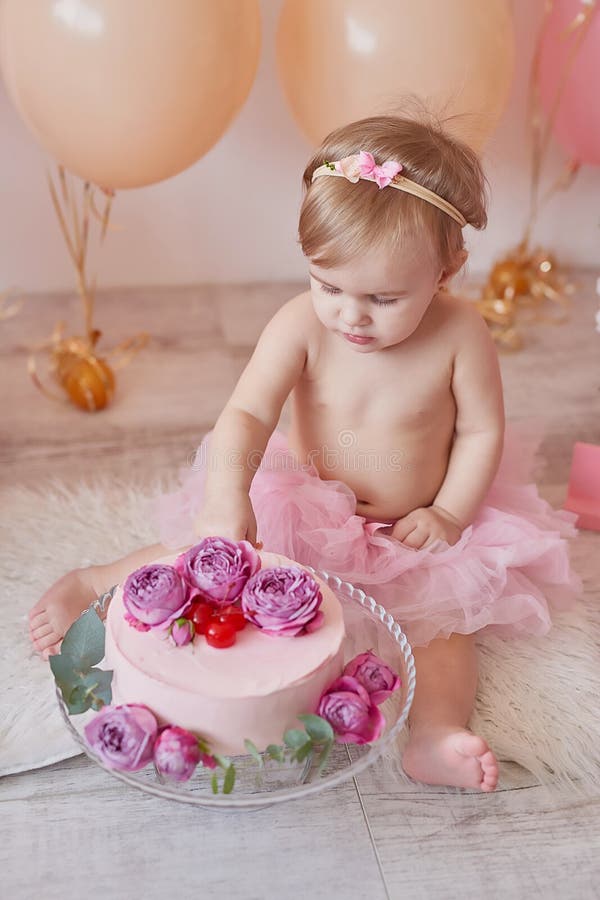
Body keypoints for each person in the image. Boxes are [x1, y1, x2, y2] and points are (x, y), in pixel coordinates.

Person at [29, 113, 581, 792]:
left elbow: (481, 433)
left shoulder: (463, 334)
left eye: (382, 298)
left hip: (417, 520)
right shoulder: (300, 325)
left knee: (445, 632)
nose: (351, 316)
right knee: (218, 558)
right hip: (311, 496)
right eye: (329, 286)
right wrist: (228, 496)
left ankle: (434, 733)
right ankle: (99, 578)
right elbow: (248, 413)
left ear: (447, 270)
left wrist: (450, 513)